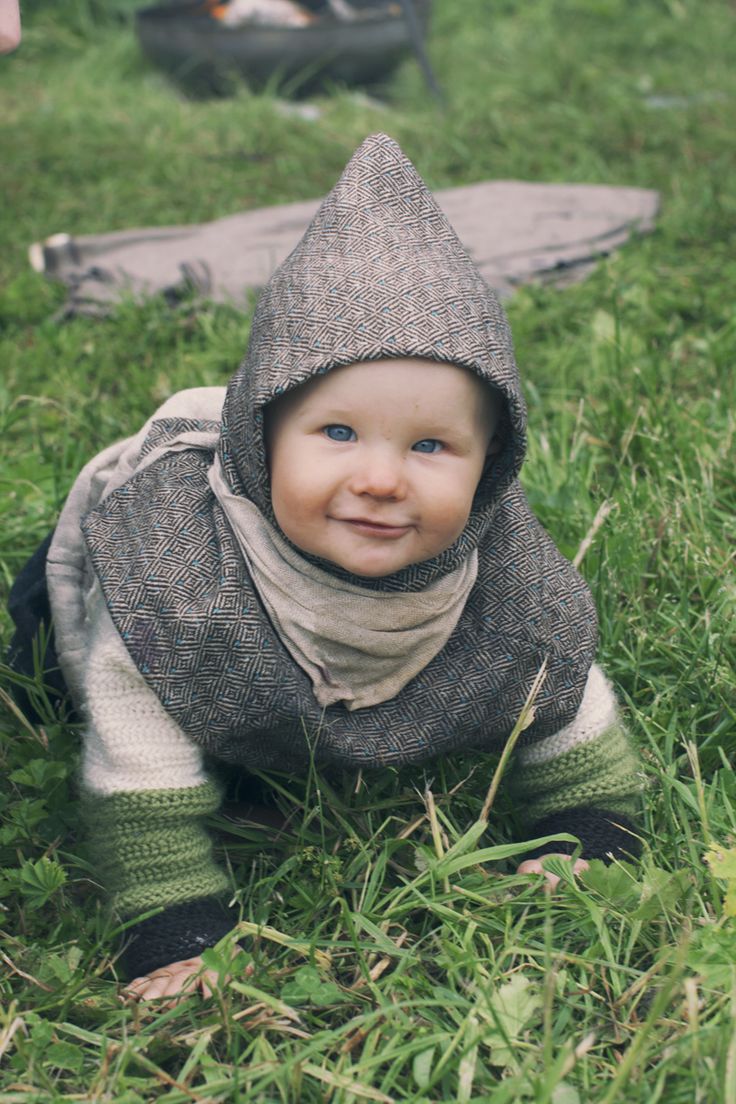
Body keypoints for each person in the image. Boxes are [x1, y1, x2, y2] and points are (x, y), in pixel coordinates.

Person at [17, 134, 642, 1002]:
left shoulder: (505, 578)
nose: (380, 480)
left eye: (431, 445)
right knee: (67, 673)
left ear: (491, 463)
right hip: (134, 626)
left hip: (334, 659)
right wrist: (173, 923)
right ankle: (237, 761)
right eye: (337, 433)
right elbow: (136, 742)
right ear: (261, 431)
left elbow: (563, 690)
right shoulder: (177, 574)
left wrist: (591, 830)